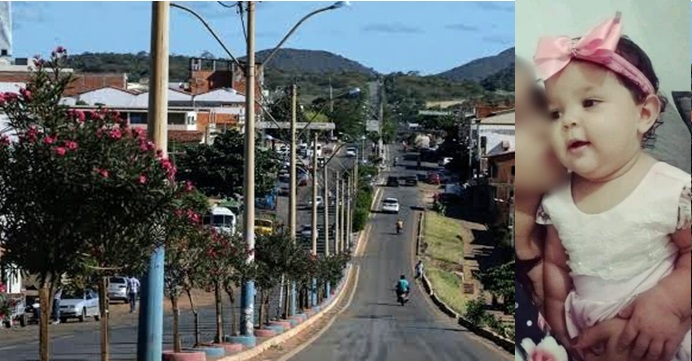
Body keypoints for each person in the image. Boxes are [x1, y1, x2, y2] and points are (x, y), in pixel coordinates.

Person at [534, 14, 690, 360]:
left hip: (657, 336)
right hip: (587, 338)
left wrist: (669, 304)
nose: (569, 120)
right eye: (555, 113)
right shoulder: (558, 200)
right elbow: (556, 265)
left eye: (589, 103)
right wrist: (559, 322)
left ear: (644, 114)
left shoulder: (672, 190)